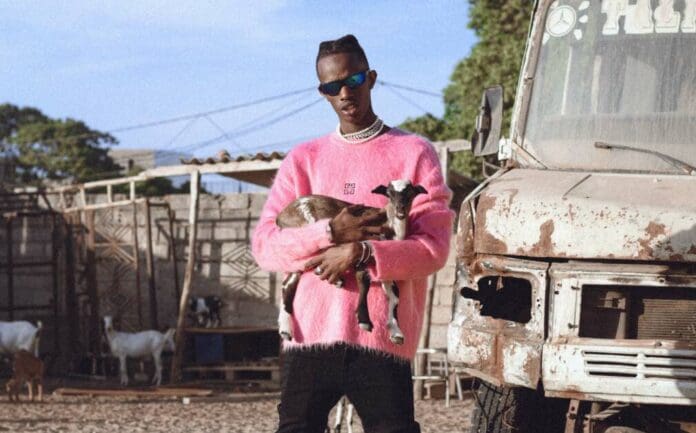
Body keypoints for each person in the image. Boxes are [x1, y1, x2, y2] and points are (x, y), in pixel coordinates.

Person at [251, 34, 454, 433]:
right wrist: (329, 232)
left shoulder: (413, 153)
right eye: (332, 87)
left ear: (371, 78)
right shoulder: (303, 160)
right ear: (322, 92)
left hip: (380, 340)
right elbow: (265, 248)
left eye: (354, 81)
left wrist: (362, 253)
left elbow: (433, 249)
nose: (345, 93)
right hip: (309, 339)